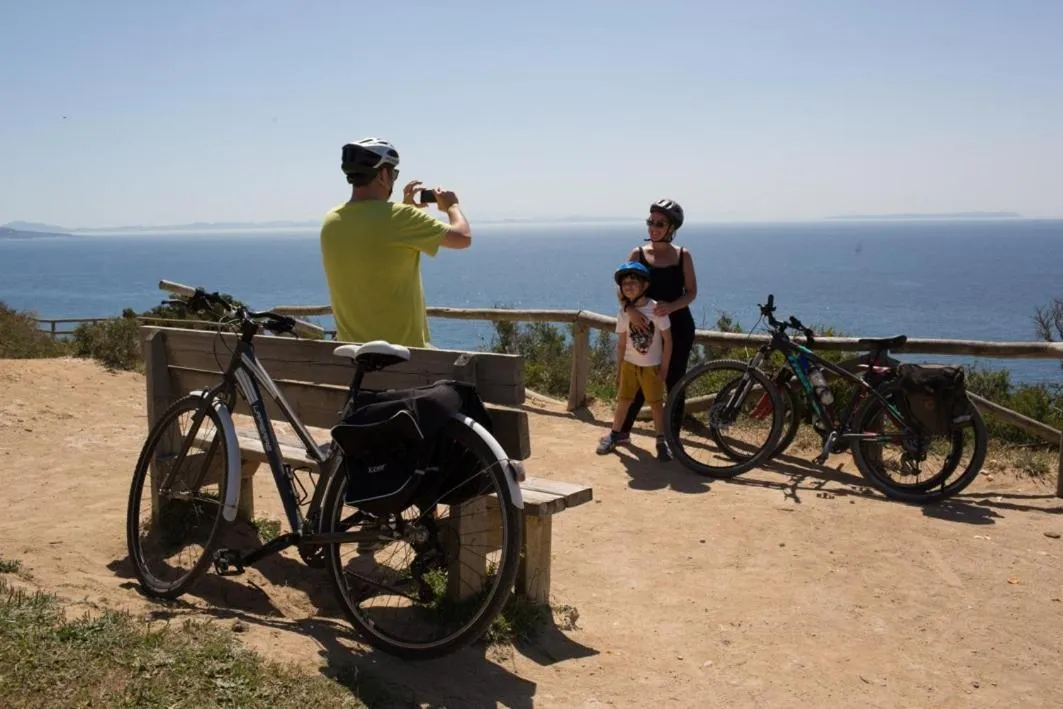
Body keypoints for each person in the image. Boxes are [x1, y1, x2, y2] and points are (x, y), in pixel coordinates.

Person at [319, 137, 472, 348]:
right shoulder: (401, 218)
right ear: (383, 174)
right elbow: (462, 238)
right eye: (394, 173)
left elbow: (376, 235)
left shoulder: (331, 220)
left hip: (353, 356)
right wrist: (452, 206)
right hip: (403, 356)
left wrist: (406, 209)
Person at [615, 199, 698, 442]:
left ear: (672, 228)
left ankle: (671, 439)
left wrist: (671, 306)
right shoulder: (637, 254)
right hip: (645, 326)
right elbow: (621, 287)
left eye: (660, 223)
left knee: (674, 381)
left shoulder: (683, 255)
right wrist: (630, 309)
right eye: (651, 221)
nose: (653, 227)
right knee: (642, 375)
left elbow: (691, 292)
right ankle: (621, 432)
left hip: (679, 327)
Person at [597, 262, 674, 461]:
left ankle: (661, 440)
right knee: (623, 401)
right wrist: (619, 368)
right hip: (630, 365)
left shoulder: (656, 310)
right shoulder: (623, 312)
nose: (628, 286)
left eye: (633, 282)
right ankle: (615, 434)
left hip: (652, 366)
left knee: (656, 404)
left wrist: (665, 367)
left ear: (645, 285)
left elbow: (668, 340)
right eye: (624, 283)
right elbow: (621, 343)